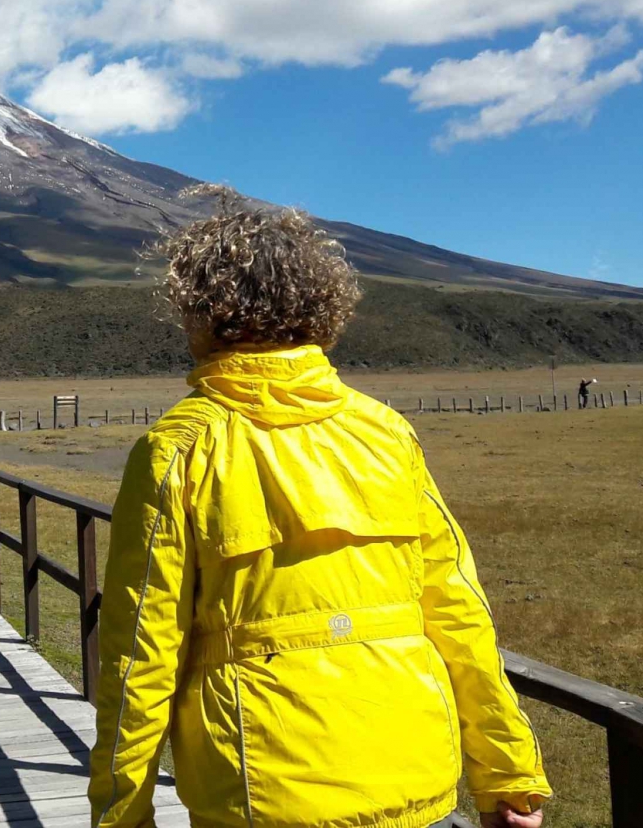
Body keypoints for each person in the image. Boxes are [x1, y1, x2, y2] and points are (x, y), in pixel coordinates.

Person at [90, 195, 550, 828]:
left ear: (197, 311)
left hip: (262, 794)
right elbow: (459, 612)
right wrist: (508, 775)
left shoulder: (179, 448)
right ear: (325, 307)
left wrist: (121, 814)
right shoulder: (385, 432)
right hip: (416, 776)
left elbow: (138, 652)